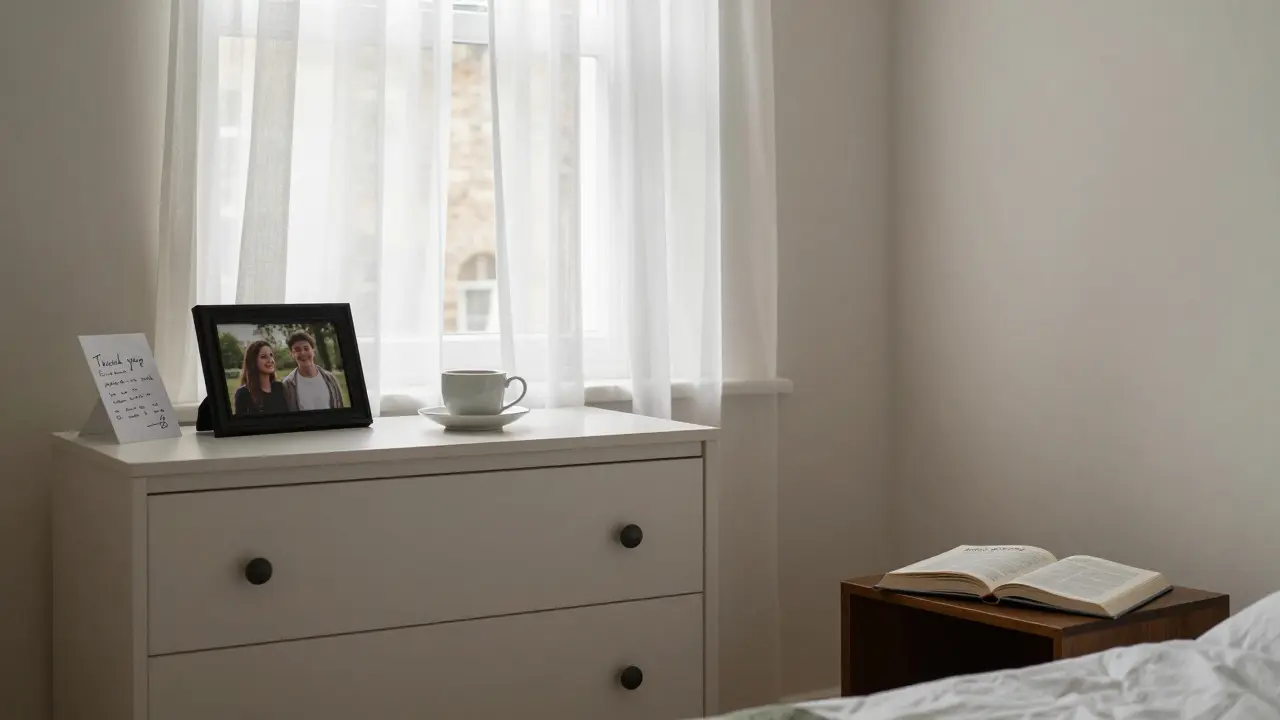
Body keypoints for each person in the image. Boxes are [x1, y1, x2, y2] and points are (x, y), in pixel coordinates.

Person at [280, 330, 345, 411]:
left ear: (313, 351)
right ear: (292, 354)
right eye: (297, 350)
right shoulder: (288, 384)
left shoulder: (330, 378)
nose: (303, 353)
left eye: (306, 348)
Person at [233, 340, 289, 415]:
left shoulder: (279, 387)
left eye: (271, 355)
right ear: (253, 361)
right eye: (263, 357)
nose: (270, 360)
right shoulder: (243, 394)